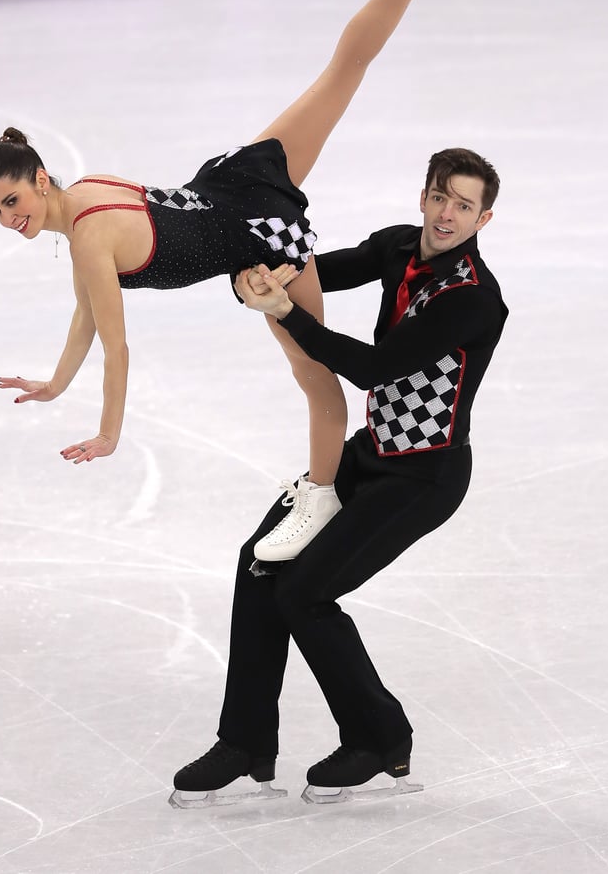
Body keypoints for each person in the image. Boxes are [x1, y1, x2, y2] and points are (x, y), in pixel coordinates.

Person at [0, 0, 484, 561]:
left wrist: (108, 432)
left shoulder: (90, 241)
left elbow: (116, 343)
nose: (11, 220)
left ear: (40, 179)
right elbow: (87, 315)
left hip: (258, 235)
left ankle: (324, 491)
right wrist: (57, 382)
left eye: (13, 200)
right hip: (231, 178)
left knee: (314, 372)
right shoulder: (88, 197)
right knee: (340, 74)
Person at [171, 147, 508, 807]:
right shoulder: (395, 249)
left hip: (425, 477)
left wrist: (283, 312)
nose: (446, 213)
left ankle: (379, 737)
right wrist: (257, 264)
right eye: (440, 196)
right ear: (423, 196)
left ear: (483, 218)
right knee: (261, 563)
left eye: (463, 205)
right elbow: (315, 272)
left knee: (305, 593)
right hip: (370, 452)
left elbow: (375, 369)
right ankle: (245, 743)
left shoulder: (473, 300)